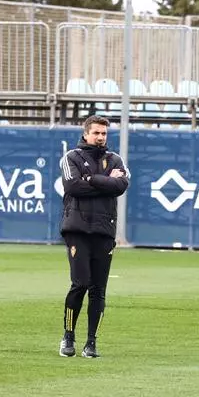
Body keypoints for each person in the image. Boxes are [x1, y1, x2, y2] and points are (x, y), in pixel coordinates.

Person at [58, 115, 130, 358]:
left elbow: (122, 186)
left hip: (104, 231)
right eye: (97, 133)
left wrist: (92, 180)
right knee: (80, 283)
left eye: (104, 133)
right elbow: (73, 187)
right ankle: (68, 335)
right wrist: (106, 181)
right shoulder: (71, 157)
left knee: (98, 290)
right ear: (86, 133)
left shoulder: (115, 159)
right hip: (77, 229)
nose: (101, 137)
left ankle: (91, 342)